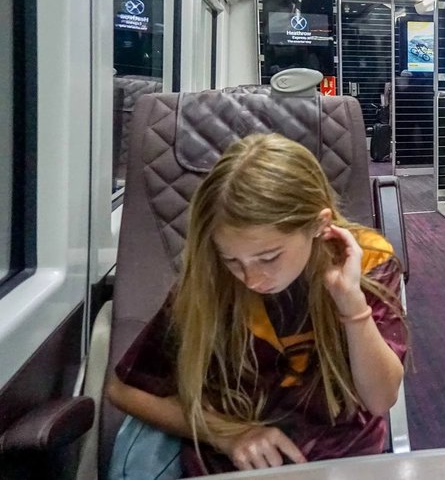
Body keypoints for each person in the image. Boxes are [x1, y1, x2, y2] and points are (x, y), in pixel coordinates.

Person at [106, 133, 407, 476]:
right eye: (233, 260)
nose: (251, 279)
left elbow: (381, 399)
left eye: (269, 257)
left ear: (319, 225)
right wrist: (227, 435)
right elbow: (123, 389)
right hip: (234, 462)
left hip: (344, 456)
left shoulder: (368, 261)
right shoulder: (212, 280)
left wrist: (350, 303)